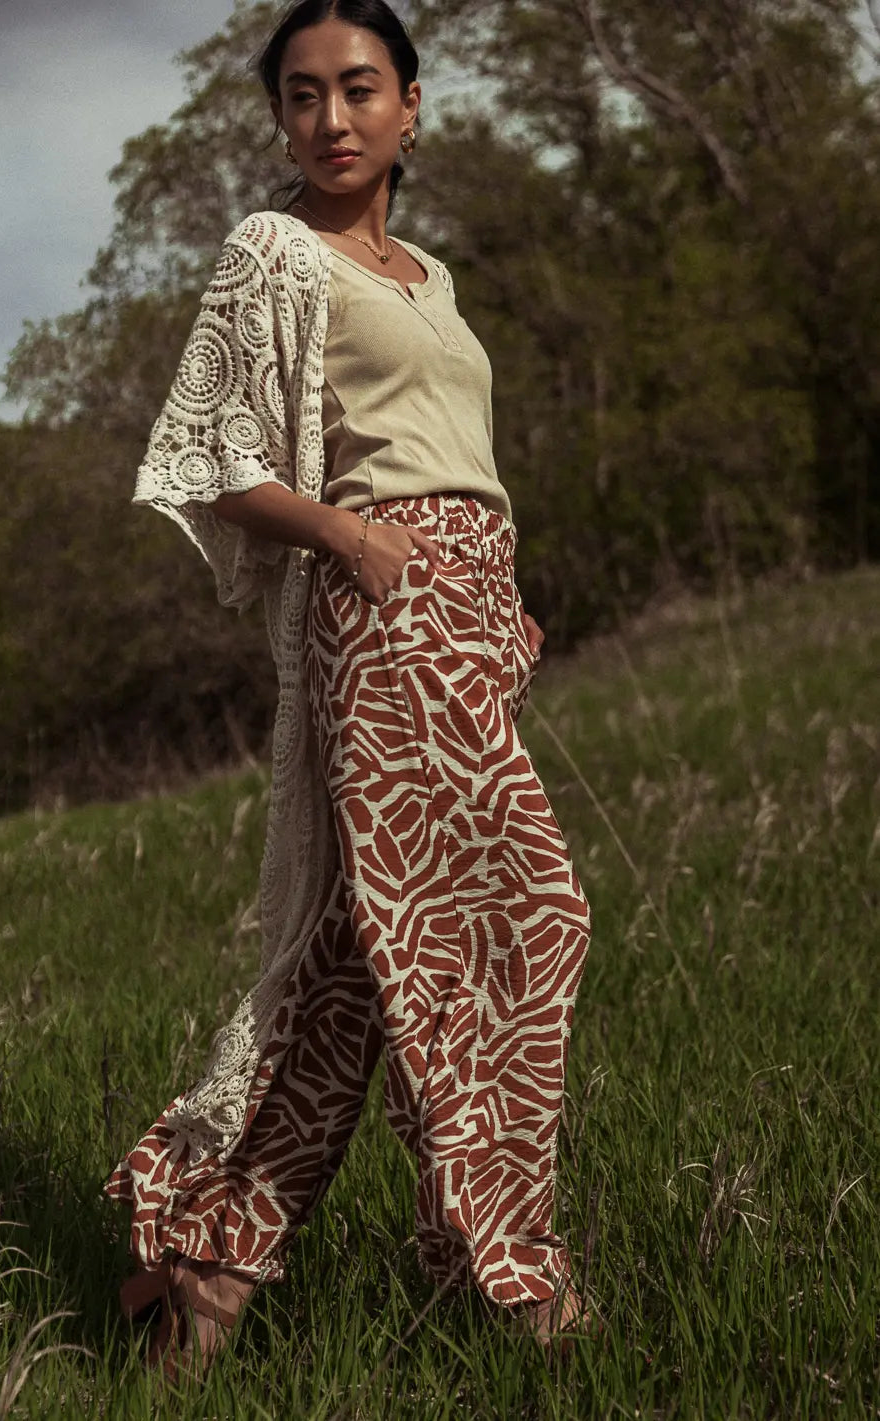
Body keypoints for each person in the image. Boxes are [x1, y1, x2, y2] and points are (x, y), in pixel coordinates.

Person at [105, 0, 594, 1380]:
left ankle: (203, 1273)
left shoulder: (430, 274)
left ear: (411, 107)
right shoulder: (273, 252)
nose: (332, 117)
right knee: (522, 921)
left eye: (360, 88)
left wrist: (498, 591)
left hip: (465, 612)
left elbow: (452, 454)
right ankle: (509, 1272)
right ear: (280, 121)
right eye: (304, 95)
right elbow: (207, 457)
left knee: (350, 972)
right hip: (380, 611)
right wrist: (352, 538)